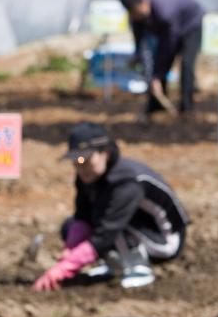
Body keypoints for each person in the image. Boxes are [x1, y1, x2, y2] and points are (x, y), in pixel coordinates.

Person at [33, 122, 188, 292]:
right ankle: (116, 264)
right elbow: (83, 216)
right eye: (75, 161)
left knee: (109, 222)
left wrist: (65, 269)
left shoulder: (126, 182)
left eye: (85, 160)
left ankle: (138, 268)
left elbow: (106, 233)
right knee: (70, 226)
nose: (80, 167)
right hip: (128, 231)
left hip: (163, 241)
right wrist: (70, 250)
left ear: (104, 153)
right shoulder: (87, 176)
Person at [120, 0, 204, 118]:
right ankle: (156, 106)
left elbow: (169, 46)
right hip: (169, 30)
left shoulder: (164, 10)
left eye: (139, 12)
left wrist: (157, 75)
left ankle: (187, 108)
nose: (138, 16)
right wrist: (138, 55)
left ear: (145, 2)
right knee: (158, 62)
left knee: (186, 63)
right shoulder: (136, 15)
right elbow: (140, 38)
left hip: (191, 25)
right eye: (134, 14)